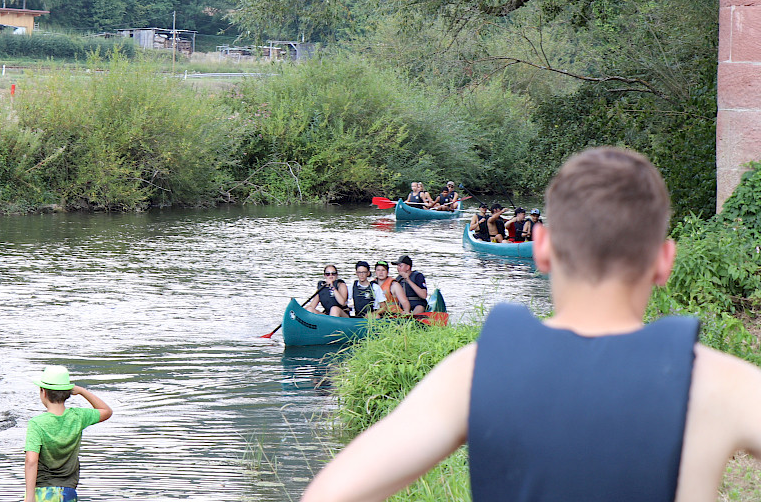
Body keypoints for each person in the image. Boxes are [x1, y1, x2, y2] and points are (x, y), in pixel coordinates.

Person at [301, 146, 761, 502]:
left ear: (540, 249)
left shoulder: (474, 373)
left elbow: (331, 493)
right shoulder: (723, 384)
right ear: (664, 262)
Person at [24, 365, 112, 502]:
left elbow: (31, 460)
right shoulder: (78, 417)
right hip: (68, 493)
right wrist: (82, 391)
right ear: (68, 393)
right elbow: (106, 411)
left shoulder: (36, 423)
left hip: (40, 493)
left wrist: (29, 498)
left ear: (44, 393)